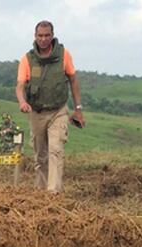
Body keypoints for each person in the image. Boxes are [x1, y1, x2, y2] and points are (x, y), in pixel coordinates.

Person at [15, 20, 84, 192]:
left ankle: (53, 193)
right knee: (41, 156)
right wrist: (22, 101)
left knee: (56, 150)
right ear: (35, 36)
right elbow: (20, 86)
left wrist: (78, 109)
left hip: (58, 110)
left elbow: (73, 79)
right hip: (37, 112)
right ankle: (41, 194)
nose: (43, 39)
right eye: (40, 35)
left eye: (47, 35)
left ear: (52, 36)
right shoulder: (27, 59)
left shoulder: (64, 55)